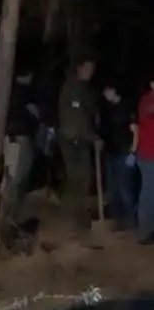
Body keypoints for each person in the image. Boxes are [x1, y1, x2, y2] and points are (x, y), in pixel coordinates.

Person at [57, 56, 101, 228]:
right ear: (80, 68)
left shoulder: (83, 88)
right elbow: (77, 119)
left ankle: (78, 216)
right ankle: (77, 218)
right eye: (88, 68)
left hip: (78, 138)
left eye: (93, 68)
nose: (91, 72)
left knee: (82, 178)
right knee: (79, 178)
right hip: (73, 139)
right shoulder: (73, 88)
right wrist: (93, 137)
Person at [0, 69, 39, 220]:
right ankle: (5, 215)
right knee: (12, 178)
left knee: (18, 178)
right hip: (15, 139)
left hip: (21, 138)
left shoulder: (23, 93)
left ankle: (11, 215)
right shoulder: (17, 94)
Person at [98, 82, 137, 230]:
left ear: (114, 89)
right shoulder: (106, 108)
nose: (105, 95)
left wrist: (133, 152)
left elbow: (135, 129)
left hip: (124, 151)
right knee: (112, 188)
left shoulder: (126, 106)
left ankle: (131, 220)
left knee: (125, 188)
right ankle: (118, 220)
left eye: (107, 91)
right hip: (110, 152)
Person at [135, 78, 154, 243]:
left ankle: (149, 229)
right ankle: (144, 232)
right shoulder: (147, 101)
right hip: (149, 155)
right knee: (148, 193)